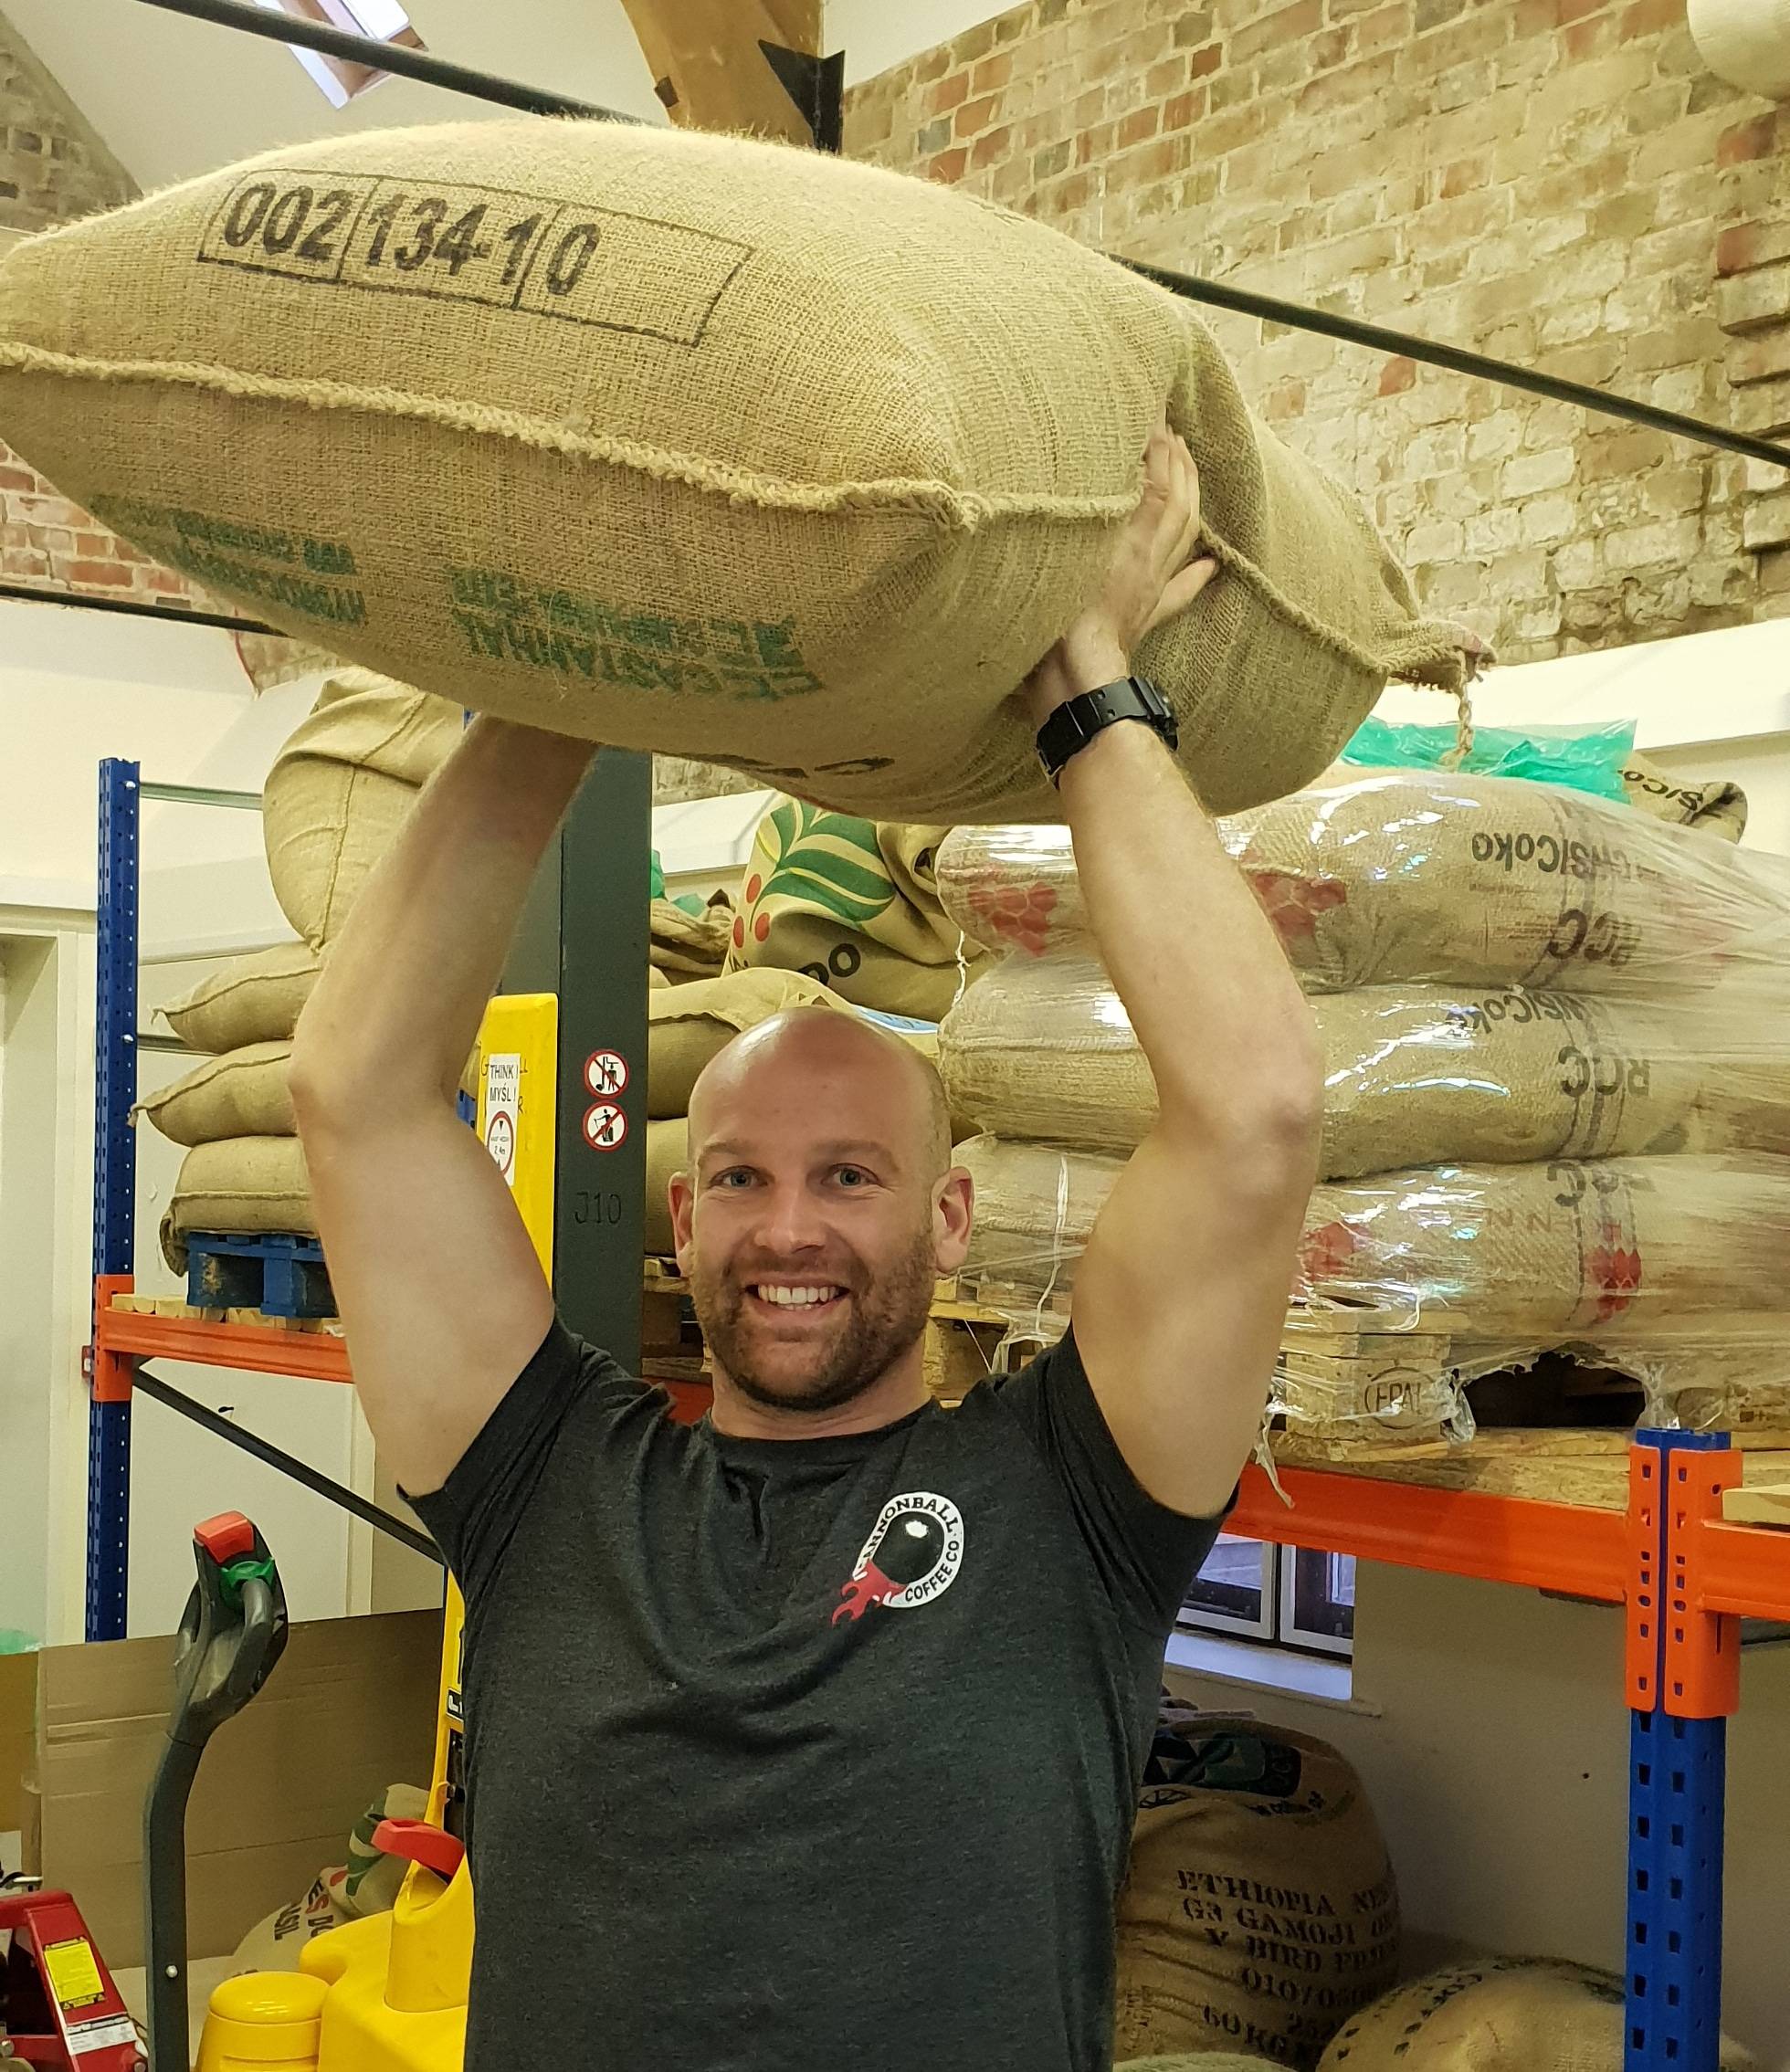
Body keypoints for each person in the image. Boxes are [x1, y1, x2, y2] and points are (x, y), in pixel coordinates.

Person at [290, 422, 1324, 2072]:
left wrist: (1085, 685)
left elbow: (1256, 1110)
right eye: (749, 1176)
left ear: (949, 1216)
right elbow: (352, 1088)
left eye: (850, 1176)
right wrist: (568, 684)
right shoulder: (545, 1483)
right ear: (684, 1219)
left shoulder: (1079, 1503)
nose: (791, 1229)